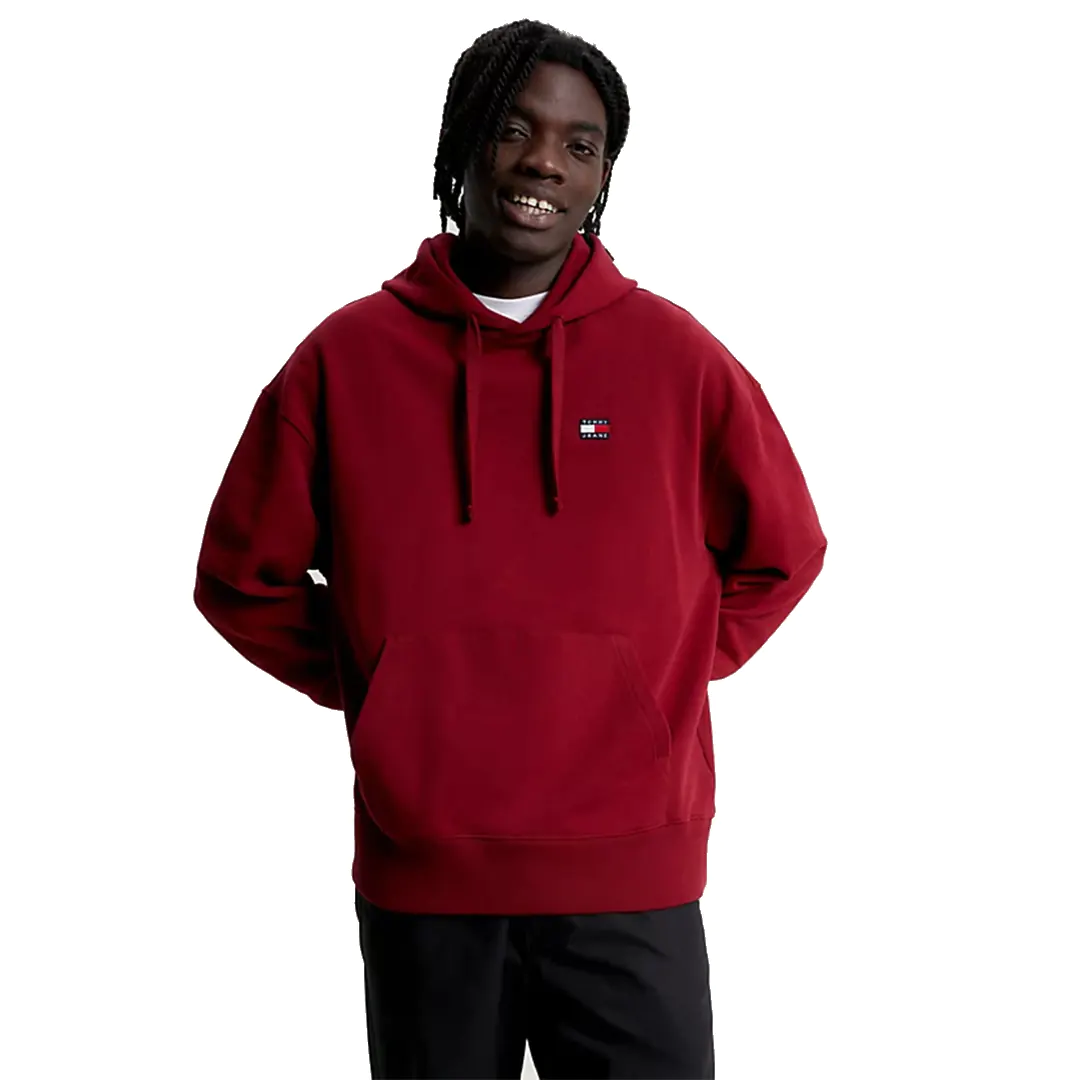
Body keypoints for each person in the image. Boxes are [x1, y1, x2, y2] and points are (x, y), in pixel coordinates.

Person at [192, 17, 827, 1079]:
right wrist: (389, 686)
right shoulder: (345, 360)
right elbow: (239, 579)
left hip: (632, 876)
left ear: (604, 177)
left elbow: (785, 552)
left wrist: (656, 679)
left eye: (582, 145)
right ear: (462, 142)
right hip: (427, 878)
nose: (544, 163)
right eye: (515, 129)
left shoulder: (679, 359)